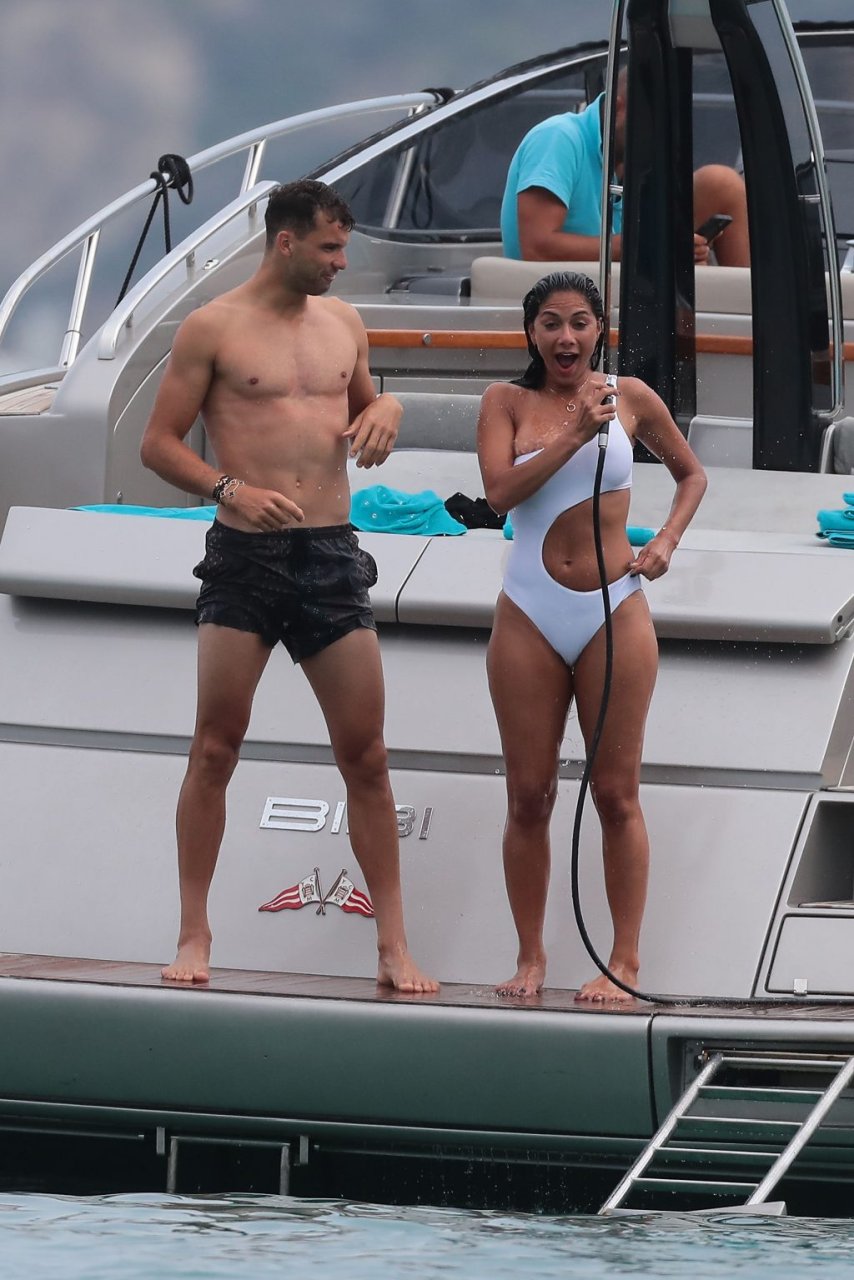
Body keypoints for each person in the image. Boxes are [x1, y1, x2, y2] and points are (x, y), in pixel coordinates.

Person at [139, 178, 437, 994]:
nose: (341, 263)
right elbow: (158, 444)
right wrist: (227, 488)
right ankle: (194, 932)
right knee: (215, 745)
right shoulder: (213, 327)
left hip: (331, 552)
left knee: (367, 755)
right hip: (247, 556)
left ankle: (393, 945)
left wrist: (389, 411)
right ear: (286, 241)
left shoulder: (343, 323)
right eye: (330, 248)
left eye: (344, 248)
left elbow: (365, 409)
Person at [476, 271, 707, 1001]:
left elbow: (691, 476)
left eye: (579, 322)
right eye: (550, 323)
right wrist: (575, 432)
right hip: (528, 609)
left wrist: (665, 540)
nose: (566, 336)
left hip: (614, 609)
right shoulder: (505, 402)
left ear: (600, 329)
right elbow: (499, 494)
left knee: (615, 793)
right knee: (528, 794)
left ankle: (624, 963)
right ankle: (530, 959)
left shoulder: (629, 397)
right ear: (531, 333)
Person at [501, 69, 750, 268]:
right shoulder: (559, 136)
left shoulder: (634, 160)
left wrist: (687, 256)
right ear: (618, 109)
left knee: (722, 184)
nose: (659, 138)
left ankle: (753, 311)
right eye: (651, 125)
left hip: (621, 293)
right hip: (561, 302)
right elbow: (536, 249)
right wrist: (649, 249)